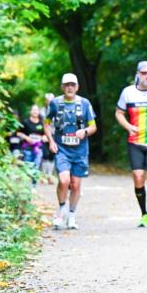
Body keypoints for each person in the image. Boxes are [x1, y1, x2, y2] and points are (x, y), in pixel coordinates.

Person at [45, 74, 97, 230]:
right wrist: (51, 141)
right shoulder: (55, 103)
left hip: (80, 151)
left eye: (72, 85)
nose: (69, 87)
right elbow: (46, 123)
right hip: (62, 149)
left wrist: (85, 132)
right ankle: (61, 211)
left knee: (75, 185)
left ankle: (72, 215)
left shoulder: (85, 103)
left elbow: (93, 126)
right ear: (62, 87)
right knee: (64, 180)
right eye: (66, 85)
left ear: (77, 87)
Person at [116, 61, 147, 227]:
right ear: (137, 74)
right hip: (135, 142)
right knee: (138, 177)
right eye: (144, 73)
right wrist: (128, 126)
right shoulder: (128, 93)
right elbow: (119, 113)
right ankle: (144, 214)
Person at [20, 104, 46, 186]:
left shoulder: (42, 123)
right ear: (30, 111)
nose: (35, 111)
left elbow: (46, 135)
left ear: (39, 112)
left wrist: (44, 138)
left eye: (36, 110)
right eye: (33, 110)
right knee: (28, 167)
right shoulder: (25, 122)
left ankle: (33, 186)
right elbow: (18, 133)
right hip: (27, 148)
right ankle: (27, 186)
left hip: (38, 148)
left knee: (36, 166)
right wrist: (27, 138)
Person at [39, 93, 56, 184]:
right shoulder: (41, 112)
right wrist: (43, 134)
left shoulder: (57, 110)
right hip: (44, 136)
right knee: (45, 155)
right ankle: (43, 176)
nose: (49, 102)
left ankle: (50, 176)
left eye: (51, 100)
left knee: (52, 156)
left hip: (54, 135)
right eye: (48, 100)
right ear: (46, 101)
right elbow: (38, 124)